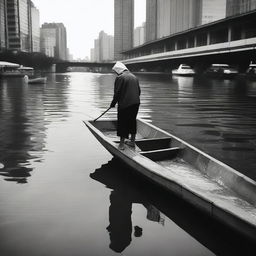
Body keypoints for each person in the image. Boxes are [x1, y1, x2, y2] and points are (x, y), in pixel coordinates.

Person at [110, 61, 141, 150]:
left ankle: (121, 145)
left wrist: (113, 104)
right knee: (132, 121)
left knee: (122, 122)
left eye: (116, 72)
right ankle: (132, 142)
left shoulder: (120, 78)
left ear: (118, 70)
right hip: (136, 103)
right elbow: (139, 91)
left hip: (125, 104)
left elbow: (117, 93)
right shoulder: (134, 77)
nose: (116, 74)